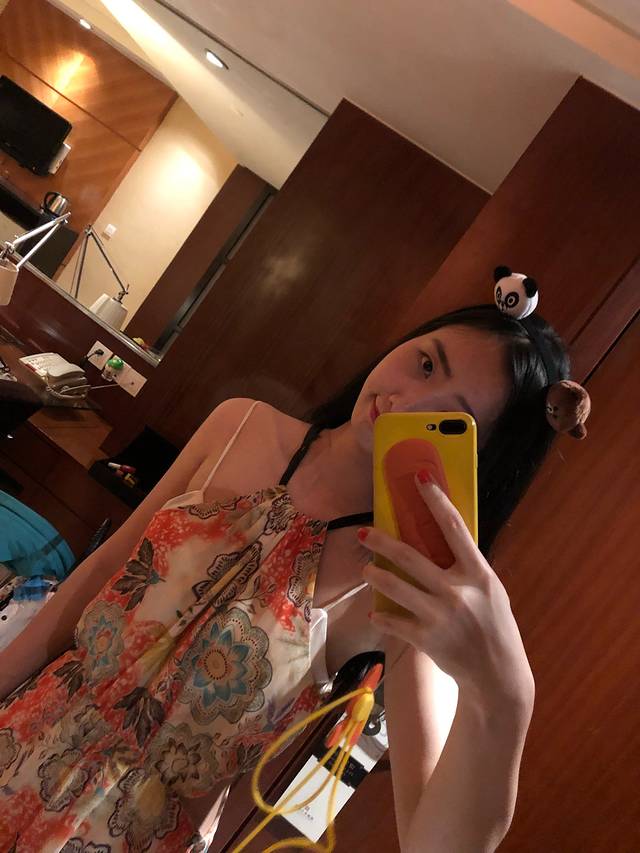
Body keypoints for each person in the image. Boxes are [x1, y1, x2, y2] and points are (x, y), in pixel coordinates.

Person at [0, 296, 583, 852]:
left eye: (450, 417)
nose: (408, 403)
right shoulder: (241, 425)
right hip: (22, 734)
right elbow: (104, 568)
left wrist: (507, 697)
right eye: (426, 363)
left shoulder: (401, 581)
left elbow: (436, 844)